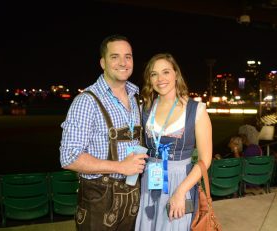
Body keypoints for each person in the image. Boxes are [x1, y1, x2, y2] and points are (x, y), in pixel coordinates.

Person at [59, 35, 148, 231]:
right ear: (103, 62)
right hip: (99, 200)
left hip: (132, 198)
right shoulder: (86, 101)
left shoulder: (136, 98)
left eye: (128, 56)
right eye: (115, 57)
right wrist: (120, 167)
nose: (123, 63)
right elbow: (68, 157)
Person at [135, 53, 213, 230]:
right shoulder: (145, 109)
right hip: (151, 181)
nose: (160, 79)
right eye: (154, 74)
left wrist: (181, 191)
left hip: (181, 182)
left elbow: (205, 160)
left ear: (176, 74)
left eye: (165, 72)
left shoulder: (196, 109)